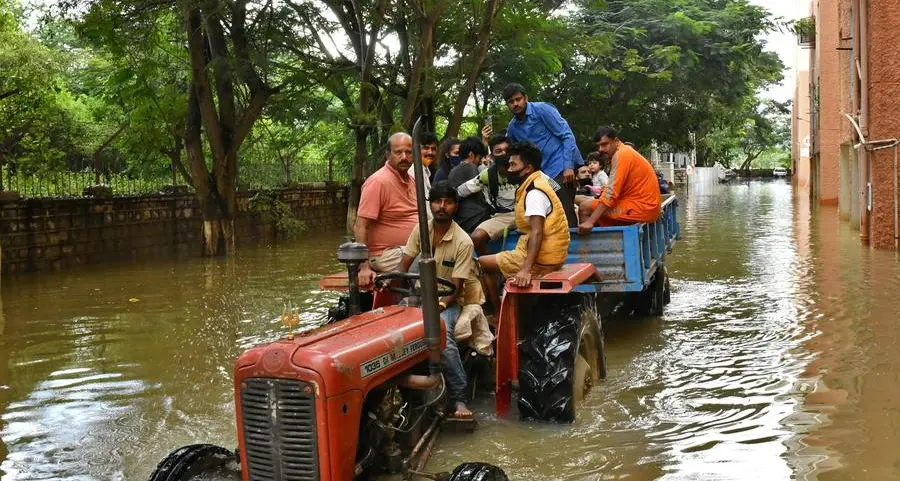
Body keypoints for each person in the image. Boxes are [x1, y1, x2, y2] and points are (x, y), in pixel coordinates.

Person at [396, 181, 485, 420]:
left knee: (442, 339)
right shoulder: (421, 230)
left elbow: (456, 288)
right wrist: (391, 284)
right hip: (417, 296)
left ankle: (459, 398)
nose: (441, 206)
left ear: (455, 206)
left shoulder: (463, 242)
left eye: (447, 202)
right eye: (437, 201)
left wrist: (440, 306)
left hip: (448, 300)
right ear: (430, 204)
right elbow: (403, 264)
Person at [478, 142, 571, 310]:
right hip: (548, 252)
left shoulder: (534, 193)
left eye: (513, 164)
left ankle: (498, 313)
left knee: (481, 263)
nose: (509, 168)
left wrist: (526, 270)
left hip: (543, 258)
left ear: (527, 168)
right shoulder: (538, 180)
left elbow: (537, 232)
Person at [503, 83, 583, 227]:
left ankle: (572, 242)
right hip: (541, 173)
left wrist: (568, 166)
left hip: (561, 163)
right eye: (511, 102)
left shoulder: (542, 109)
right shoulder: (512, 128)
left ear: (525, 98)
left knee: (562, 203)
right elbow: (512, 153)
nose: (516, 104)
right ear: (507, 104)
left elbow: (567, 135)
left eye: (518, 99)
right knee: (543, 208)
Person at [355, 132, 419, 288]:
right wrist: (364, 267)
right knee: (428, 261)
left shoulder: (411, 180)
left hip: (410, 249)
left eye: (408, 152)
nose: (404, 157)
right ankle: (414, 305)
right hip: (385, 253)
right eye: (398, 152)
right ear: (388, 155)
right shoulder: (378, 182)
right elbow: (360, 226)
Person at [577, 126, 662, 234]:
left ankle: (596, 248)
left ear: (615, 141)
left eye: (604, 144)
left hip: (642, 208)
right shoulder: (622, 152)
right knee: (586, 201)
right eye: (598, 146)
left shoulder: (621, 155)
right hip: (645, 206)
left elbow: (610, 193)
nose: (600, 149)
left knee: (584, 207)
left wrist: (590, 221)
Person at [448, 137, 494, 233]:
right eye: (479, 158)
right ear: (471, 155)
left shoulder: (454, 170)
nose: (480, 162)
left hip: (461, 219)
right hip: (471, 220)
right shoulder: (470, 167)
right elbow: (480, 195)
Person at [408, 131, 439, 197]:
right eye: (426, 148)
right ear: (416, 150)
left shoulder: (425, 171)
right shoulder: (415, 172)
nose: (430, 152)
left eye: (433, 149)